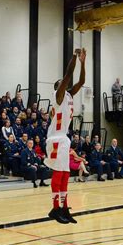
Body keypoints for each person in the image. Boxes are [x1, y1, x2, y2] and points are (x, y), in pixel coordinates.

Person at [44, 48, 86, 224]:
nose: (65, 83)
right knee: (59, 174)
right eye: (61, 83)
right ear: (58, 87)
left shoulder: (69, 94)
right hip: (55, 138)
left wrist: (83, 63)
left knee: (66, 174)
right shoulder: (58, 95)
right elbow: (69, 74)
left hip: (63, 138)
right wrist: (74, 56)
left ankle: (64, 208)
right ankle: (55, 209)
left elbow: (81, 81)